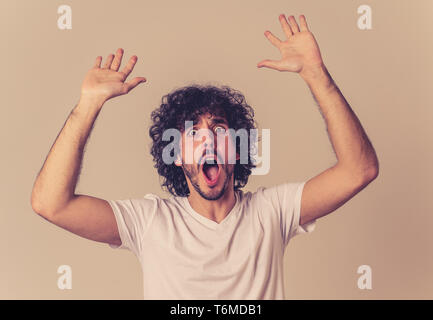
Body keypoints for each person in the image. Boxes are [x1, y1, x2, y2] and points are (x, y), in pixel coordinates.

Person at [31, 14, 379, 299]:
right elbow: (51, 203)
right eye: (193, 133)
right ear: (176, 155)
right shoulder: (150, 222)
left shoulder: (273, 211)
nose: (208, 140)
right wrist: (88, 104)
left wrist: (317, 75)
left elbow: (359, 169)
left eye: (220, 129)